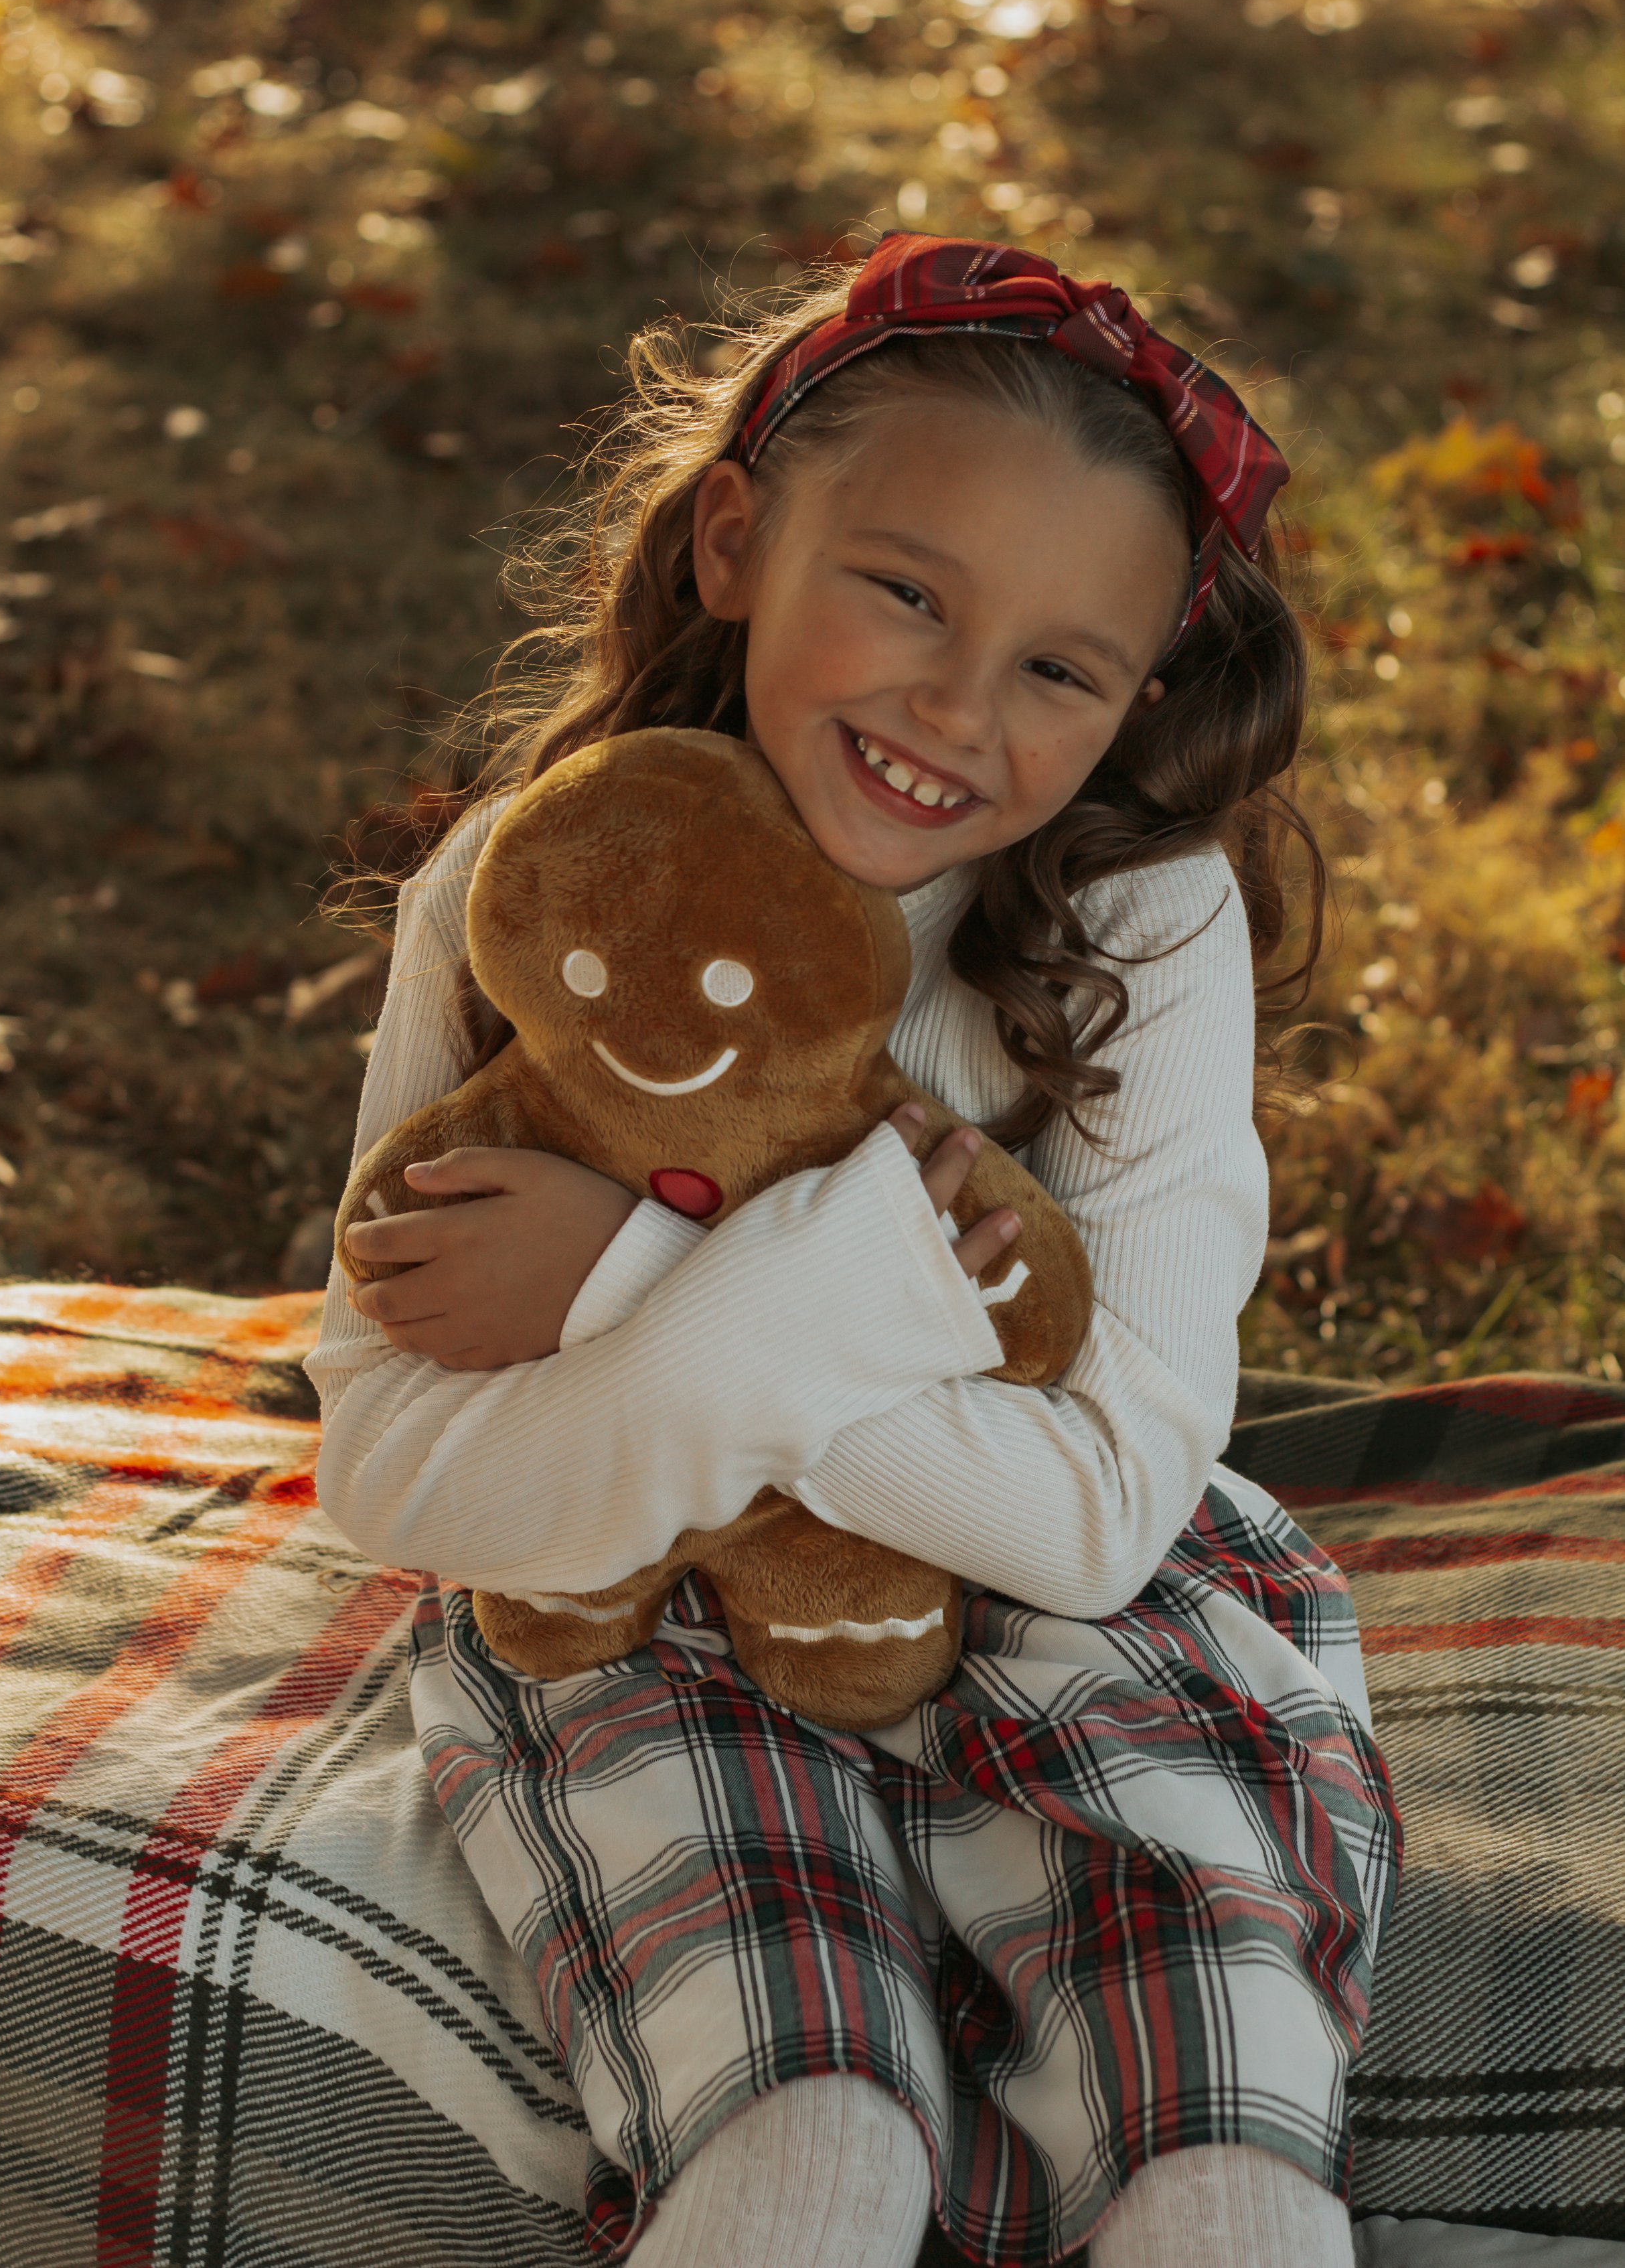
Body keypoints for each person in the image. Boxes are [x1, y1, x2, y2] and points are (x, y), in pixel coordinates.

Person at [307, 234, 1399, 2267]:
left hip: (1079, 1624)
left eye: (1058, 670)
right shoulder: (524, 887)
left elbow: (1086, 1526)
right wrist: (854, 1311)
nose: (953, 711)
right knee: (816, 2145)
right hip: (627, 1610)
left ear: (1137, 699)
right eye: (904, 591)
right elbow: (399, 1476)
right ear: (732, 539)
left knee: (1220, 2170)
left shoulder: (1136, 925)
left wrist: (627, 1280)